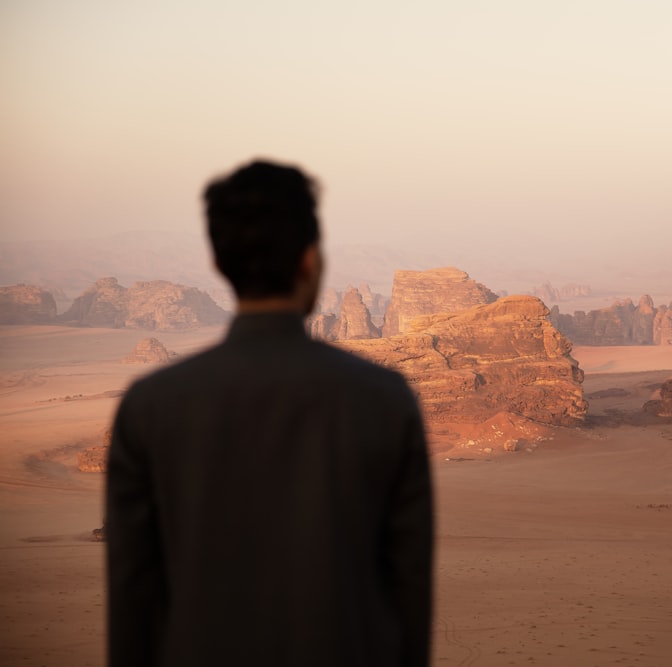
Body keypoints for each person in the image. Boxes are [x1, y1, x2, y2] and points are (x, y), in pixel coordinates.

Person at [105, 159, 433, 666]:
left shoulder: (150, 407)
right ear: (309, 261)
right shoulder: (384, 400)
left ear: (219, 262)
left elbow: (133, 601)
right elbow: (408, 588)